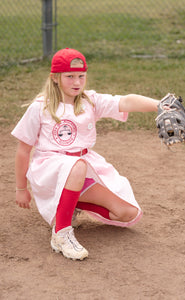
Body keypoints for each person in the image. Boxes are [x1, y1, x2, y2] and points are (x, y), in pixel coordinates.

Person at [11, 47, 161, 261]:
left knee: (127, 213)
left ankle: (68, 205)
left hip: (82, 168)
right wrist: (20, 188)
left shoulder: (89, 101)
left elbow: (125, 101)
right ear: (55, 77)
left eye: (81, 76)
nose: (76, 82)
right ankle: (61, 233)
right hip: (50, 169)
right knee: (77, 165)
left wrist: (161, 106)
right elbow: (23, 150)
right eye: (69, 76)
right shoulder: (40, 107)